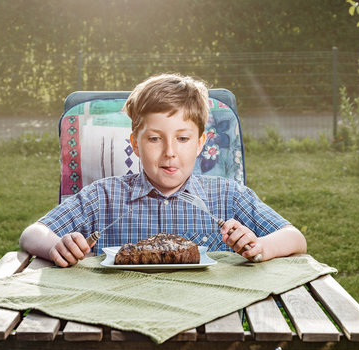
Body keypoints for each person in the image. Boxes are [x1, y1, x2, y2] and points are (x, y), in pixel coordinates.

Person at [19, 73, 306, 267]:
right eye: (155, 139)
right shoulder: (102, 196)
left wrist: (259, 247)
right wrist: (56, 246)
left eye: (182, 139)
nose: (170, 152)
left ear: (200, 144)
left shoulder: (228, 196)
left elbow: (295, 238)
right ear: (135, 143)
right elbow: (32, 234)